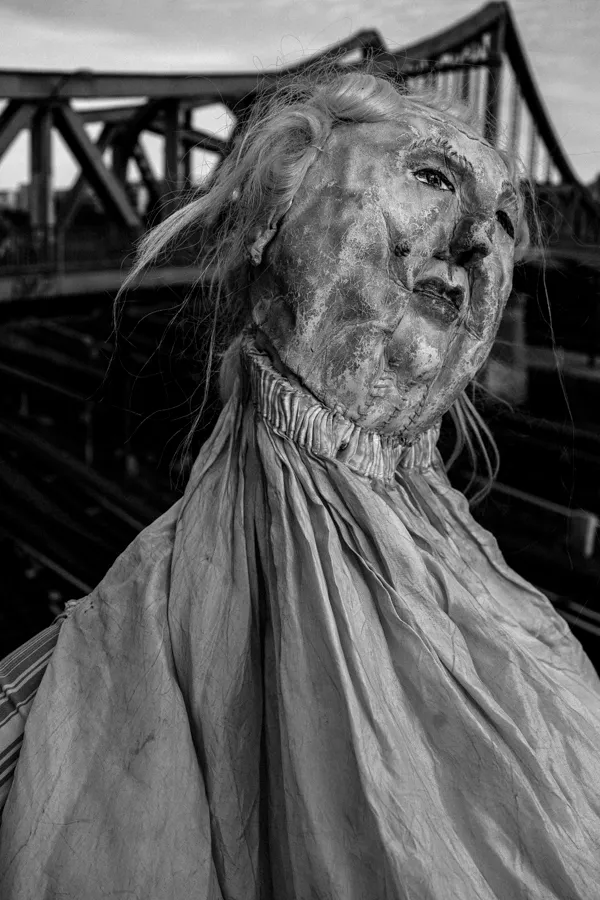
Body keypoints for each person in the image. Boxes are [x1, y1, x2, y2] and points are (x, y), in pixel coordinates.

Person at [1, 69, 600, 899]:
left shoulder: (537, 642)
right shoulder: (73, 709)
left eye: (503, 222)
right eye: (431, 178)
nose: (475, 241)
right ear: (273, 223)